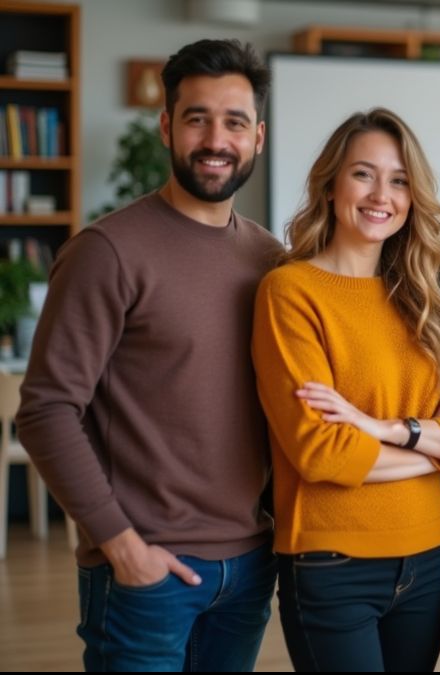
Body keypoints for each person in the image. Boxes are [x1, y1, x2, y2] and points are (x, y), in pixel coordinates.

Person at [15, 39, 279, 671]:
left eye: (234, 122)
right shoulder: (107, 251)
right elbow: (46, 410)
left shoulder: (273, 259)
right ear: (166, 126)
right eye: (197, 118)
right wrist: (122, 547)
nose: (216, 139)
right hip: (147, 570)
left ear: (259, 137)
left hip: (249, 568)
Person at [250, 108, 440, 672]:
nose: (380, 194)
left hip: (432, 558)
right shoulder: (291, 292)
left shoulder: (428, 301)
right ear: (331, 183)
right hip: (331, 559)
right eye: (363, 174)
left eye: (398, 180)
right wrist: (439, 449)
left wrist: (391, 432)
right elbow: (319, 453)